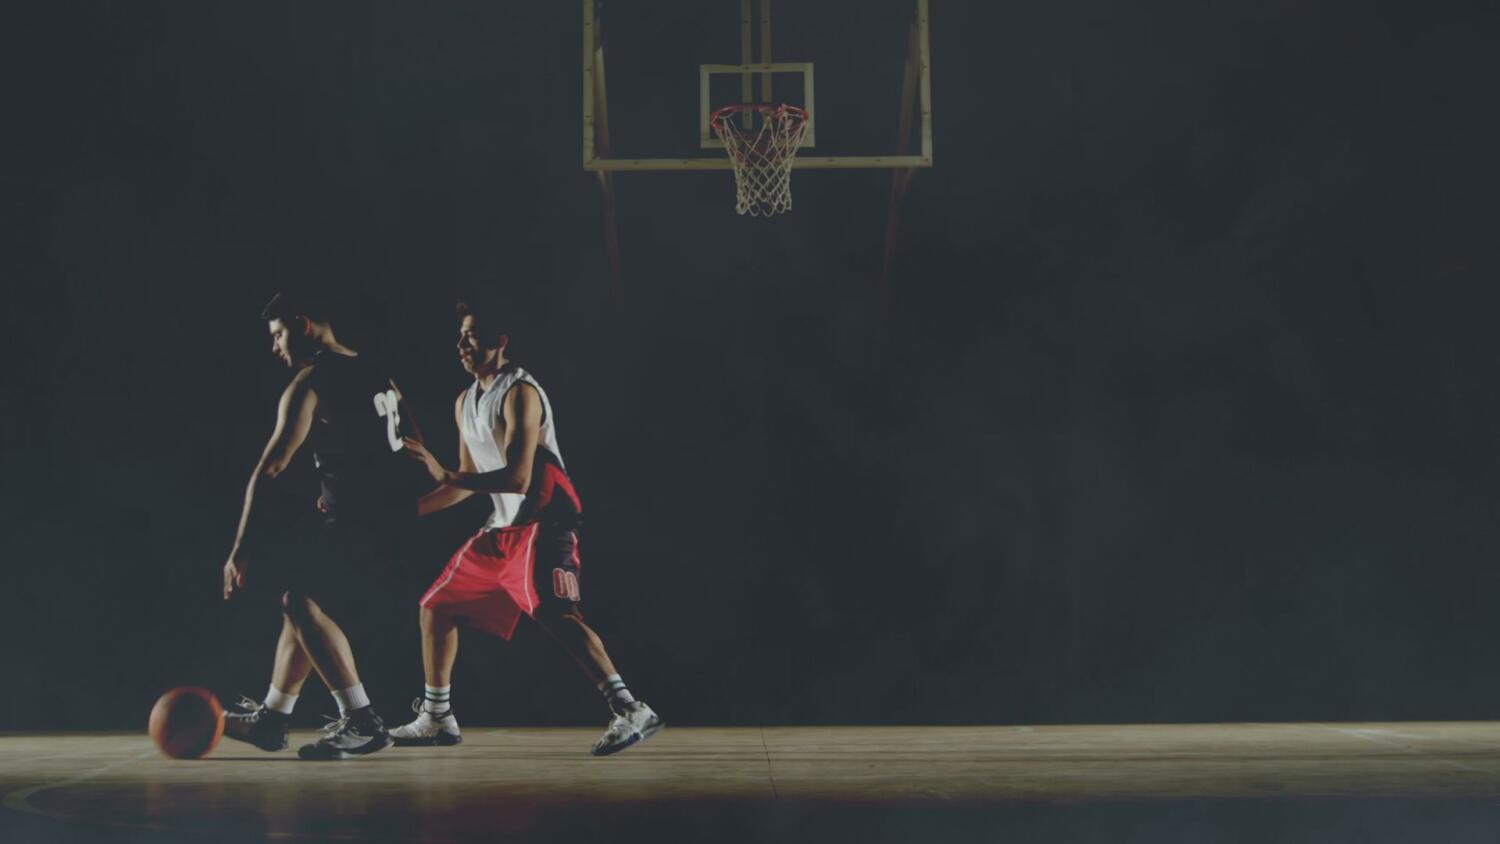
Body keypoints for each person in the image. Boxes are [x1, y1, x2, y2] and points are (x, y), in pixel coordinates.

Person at [391, 301, 662, 756]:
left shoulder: (521, 392)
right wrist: (402, 512)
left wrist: (443, 474)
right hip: (501, 528)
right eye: (459, 335)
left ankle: (630, 708)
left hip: (544, 520)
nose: (461, 344)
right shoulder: (465, 401)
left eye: (472, 335)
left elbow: (517, 477)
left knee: (559, 616)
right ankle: (438, 716)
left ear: (501, 341)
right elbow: (463, 483)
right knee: (436, 606)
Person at [219, 292, 422, 760]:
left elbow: (269, 470)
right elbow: (410, 445)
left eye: (278, 335)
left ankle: (363, 719)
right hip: (390, 522)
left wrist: (239, 550)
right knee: (300, 605)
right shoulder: (377, 373)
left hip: (360, 524)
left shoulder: (312, 382)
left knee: (298, 601)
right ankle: (273, 718)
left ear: (303, 325)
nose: (274, 347)